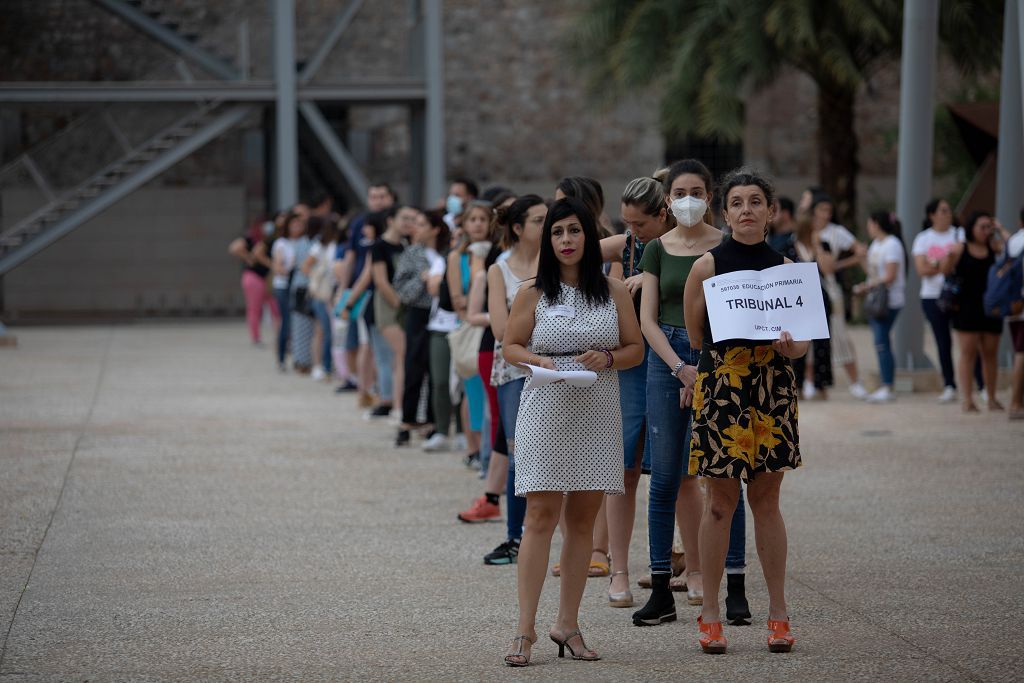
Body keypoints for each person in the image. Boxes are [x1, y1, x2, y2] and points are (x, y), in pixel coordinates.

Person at [501, 197, 644, 667]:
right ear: (548, 240)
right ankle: (524, 630)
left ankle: (568, 623)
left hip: (598, 409)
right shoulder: (531, 292)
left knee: (583, 520)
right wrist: (537, 359)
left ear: (589, 235)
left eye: (574, 231)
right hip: (544, 407)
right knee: (539, 516)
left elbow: (635, 351)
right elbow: (510, 346)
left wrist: (607, 358)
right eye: (557, 232)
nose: (566, 240)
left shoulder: (614, 290)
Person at [683, 168, 806, 655]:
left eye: (756, 201)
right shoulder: (706, 267)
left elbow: (800, 347)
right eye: (737, 202)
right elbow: (696, 335)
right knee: (719, 502)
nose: (747, 210)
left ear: (771, 212)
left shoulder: (787, 267)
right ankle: (710, 612)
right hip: (724, 382)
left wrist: (790, 345)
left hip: (773, 383)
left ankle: (778, 611)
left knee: (767, 501)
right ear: (725, 211)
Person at [634, 159, 747, 627]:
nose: (688, 199)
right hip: (667, 360)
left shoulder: (726, 245)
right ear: (667, 199)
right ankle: (661, 588)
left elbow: (737, 313)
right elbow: (648, 318)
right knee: (663, 478)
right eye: (680, 192)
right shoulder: (657, 249)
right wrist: (680, 368)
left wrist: (702, 369)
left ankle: (734, 589)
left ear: (710, 195)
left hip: (719, 359)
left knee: (725, 478)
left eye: (697, 191)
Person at [596, 176, 672, 608]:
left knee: (675, 475)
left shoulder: (682, 246)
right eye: (626, 224)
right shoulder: (626, 243)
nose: (632, 232)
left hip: (669, 357)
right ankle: (618, 570)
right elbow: (576, 252)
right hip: (629, 363)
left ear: (662, 215)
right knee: (622, 470)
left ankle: (687, 565)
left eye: (639, 224)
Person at [477, 195, 546, 563]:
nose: (546, 226)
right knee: (519, 452)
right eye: (538, 220)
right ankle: (515, 536)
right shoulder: (499, 270)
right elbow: (502, 329)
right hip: (514, 370)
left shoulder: (561, 263)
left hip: (552, 367)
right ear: (517, 228)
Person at [335, 183, 396, 403]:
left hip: (380, 292)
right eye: (373, 196)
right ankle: (368, 390)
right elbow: (352, 260)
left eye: (382, 196)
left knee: (378, 348)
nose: (378, 200)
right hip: (366, 293)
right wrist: (344, 291)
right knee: (367, 344)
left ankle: (379, 392)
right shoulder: (361, 222)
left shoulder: (396, 224)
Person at [393, 210, 450, 445]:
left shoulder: (447, 253)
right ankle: (407, 419)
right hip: (418, 312)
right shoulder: (412, 253)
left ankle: (433, 420)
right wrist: (423, 280)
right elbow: (401, 289)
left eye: (421, 223)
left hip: (444, 314)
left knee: (436, 368)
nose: (416, 228)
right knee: (414, 363)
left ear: (435, 228)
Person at [941, 211, 1005, 413]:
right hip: (966, 308)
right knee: (968, 353)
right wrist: (948, 257)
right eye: (982, 227)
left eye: (989, 227)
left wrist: (1000, 229)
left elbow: (1013, 248)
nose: (986, 231)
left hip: (991, 306)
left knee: (990, 353)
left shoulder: (994, 247)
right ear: (971, 228)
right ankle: (967, 399)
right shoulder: (960, 248)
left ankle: (992, 396)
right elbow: (944, 270)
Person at [811, 193, 868, 399]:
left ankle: (855, 381)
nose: (825, 214)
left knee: (839, 331)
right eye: (822, 209)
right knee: (808, 333)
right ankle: (812, 383)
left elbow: (860, 251)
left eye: (828, 210)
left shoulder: (836, 232)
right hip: (807, 285)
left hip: (829, 284)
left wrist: (840, 264)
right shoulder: (805, 231)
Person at [911, 199, 963, 402]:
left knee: (969, 340)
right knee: (943, 342)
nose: (947, 214)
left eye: (948, 210)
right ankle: (949, 383)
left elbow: (937, 267)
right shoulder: (923, 238)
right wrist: (946, 262)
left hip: (958, 295)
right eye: (942, 210)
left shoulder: (959, 234)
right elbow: (921, 270)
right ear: (932, 215)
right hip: (932, 296)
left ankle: (980, 382)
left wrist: (936, 264)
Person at [853, 212, 906, 403]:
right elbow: (873, 272)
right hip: (877, 299)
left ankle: (888, 386)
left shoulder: (892, 244)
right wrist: (861, 259)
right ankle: (886, 385)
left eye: (869, 222)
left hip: (889, 300)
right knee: (880, 343)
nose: (868, 227)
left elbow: (890, 276)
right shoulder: (877, 244)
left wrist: (866, 286)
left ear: (876, 223)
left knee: (882, 342)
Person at [228, 217, 280, 346]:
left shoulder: (272, 239)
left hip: (268, 278)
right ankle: (256, 338)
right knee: (255, 309)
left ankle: (280, 337)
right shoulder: (251, 237)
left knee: (276, 309)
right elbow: (234, 248)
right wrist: (248, 257)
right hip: (254, 277)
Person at [1007, 208, 1024, 420]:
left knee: (1018, 350)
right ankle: (1016, 402)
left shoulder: (1013, 240)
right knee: (1022, 352)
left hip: (1012, 304)